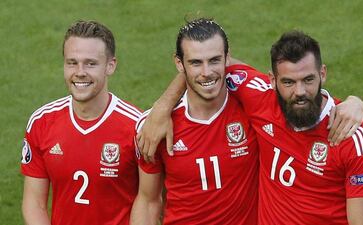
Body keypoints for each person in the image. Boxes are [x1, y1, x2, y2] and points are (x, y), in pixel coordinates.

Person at [224, 31, 363, 224]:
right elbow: (207, 63)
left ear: (322, 74)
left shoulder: (352, 135)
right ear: (273, 81)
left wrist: (356, 102)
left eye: (308, 80)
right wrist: (174, 98)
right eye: (288, 82)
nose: (300, 92)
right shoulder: (259, 98)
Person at [131, 18, 259, 225]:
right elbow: (148, 201)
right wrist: (163, 107)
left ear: (228, 58)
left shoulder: (252, 109)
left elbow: (297, 90)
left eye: (214, 60)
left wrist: (332, 107)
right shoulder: (154, 128)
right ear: (179, 64)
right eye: (196, 62)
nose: (206, 72)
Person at [21, 20, 141, 225]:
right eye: (72, 62)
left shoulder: (137, 127)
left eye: (91, 63)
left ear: (110, 66)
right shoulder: (42, 122)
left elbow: (152, 201)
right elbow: (34, 203)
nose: (80, 72)